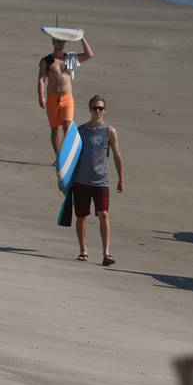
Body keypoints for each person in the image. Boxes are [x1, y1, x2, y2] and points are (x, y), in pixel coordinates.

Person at [71, 94, 124, 265]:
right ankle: (83, 250)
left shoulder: (110, 131)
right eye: (95, 108)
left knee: (103, 214)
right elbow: (71, 157)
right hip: (81, 180)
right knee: (81, 216)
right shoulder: (81, 131)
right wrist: (65, 180)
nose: (97, 111)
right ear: (89, 109)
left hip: (101, 180)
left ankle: (106, 253)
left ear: (105, 110)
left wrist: (121, 178)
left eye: (100, 108)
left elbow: (116, 156)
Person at [37, 33, 93, 155]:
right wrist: (41, 96)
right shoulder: (46, 61)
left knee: (67, 127)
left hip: (67, 98)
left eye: (62, 41)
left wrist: (81, 37)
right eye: (58, 41)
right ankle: (58, 157)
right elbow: (41, 79)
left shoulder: (69, 58)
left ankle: (66, 155)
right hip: (52, 98)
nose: (60, 43)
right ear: (53, 42)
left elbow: (89, 54)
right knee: (55, 129)